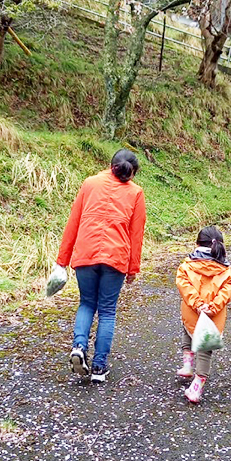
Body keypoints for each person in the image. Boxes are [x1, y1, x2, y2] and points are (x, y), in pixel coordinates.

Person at [55, 149, 146, 383]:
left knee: (86, 303)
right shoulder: (135, 192)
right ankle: (99, 367)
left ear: (110, 164)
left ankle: (78, 346)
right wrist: (133, 268)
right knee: (107, 311)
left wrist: (61, 261)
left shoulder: (89, 183)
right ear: (132, 173)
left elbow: (73, 223)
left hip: (85, 254)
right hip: (115, 259)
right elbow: (137, 234)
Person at [175, 226, 231, 403]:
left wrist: (197, 304)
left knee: (187, 331)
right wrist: (214, 306)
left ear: (197, 244)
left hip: (191, 310)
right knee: (205, 350)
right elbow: (228, 289)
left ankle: (187, 365)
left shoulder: (186, 266)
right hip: (214, 315)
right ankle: (197, 386)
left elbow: (184, 286)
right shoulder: (227, 270)